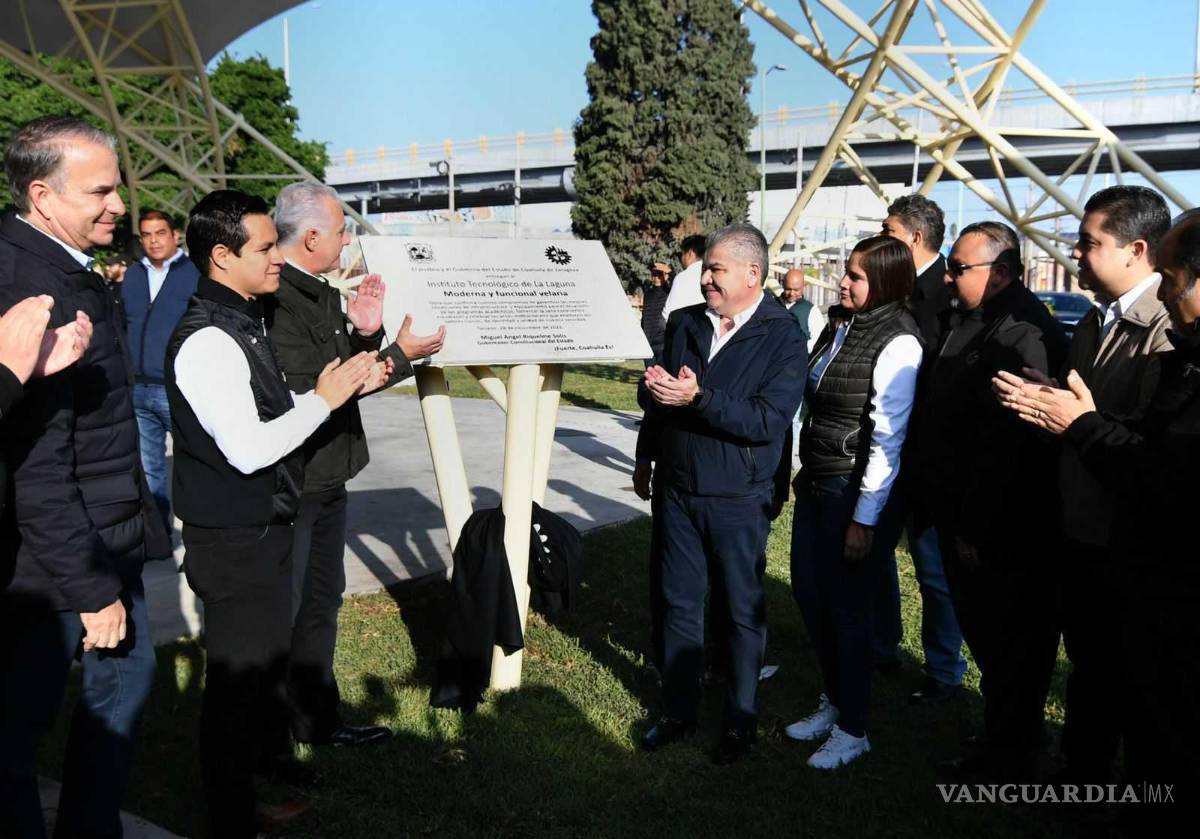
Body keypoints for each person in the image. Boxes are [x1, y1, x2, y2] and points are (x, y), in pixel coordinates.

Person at [168, 189, 388, 837]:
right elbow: (249, 447)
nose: (275, 258)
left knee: (259, 671)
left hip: (260, 529)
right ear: (220, 255)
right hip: (234, 538)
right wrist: (322, 400)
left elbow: (270, 406)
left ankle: (253, 786)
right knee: (235, 685)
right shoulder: (209, 338)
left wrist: (334, 384)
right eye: (263, 248)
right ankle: (232, 817)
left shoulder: (241, 318)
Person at [993, 213, 1200, 828]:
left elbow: (1164, 472)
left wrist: (1080, 423)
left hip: (1154, 568)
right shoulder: (1102, 324)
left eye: (1174, 277)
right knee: (1100, 679)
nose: (1166, 291)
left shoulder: (1168, 337)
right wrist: (1063, 404)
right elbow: (1148, 433)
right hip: (1102, 542)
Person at [0, 115, 170, 839]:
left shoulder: (61, 266)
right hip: (59, 561)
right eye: (99, 190)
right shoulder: (31, 288)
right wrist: (92, 585)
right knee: (17, 732)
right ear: (42, 195)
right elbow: (36, 463)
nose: (121, 205)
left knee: (118, 685)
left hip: (94, 541)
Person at [268, 181, 444, 750]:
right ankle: (270, 736)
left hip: (328, 474)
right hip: (295, 480)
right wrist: (398, 354)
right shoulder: (278, 301)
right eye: (342, 229)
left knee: (321, 602)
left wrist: (363, 331)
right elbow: (320, 392)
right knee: (287, 610)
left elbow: (337, 363)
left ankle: (316, 722)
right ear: (312, 235)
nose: (348, 238)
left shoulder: (315, 291)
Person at [636, 223, 806, 765]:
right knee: (679, 602)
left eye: (716, 270)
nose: (705, 278)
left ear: (753, 274)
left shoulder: (783, 336)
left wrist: (699, 398)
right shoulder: (686, 323)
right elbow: (657, 393)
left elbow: (768, 420)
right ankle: (679, 709)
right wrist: (648, 438)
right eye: (706, 269)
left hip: (738, 497)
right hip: (678, 489)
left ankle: (739, 718)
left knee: (739, 611)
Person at [907, 220, 1067, 780]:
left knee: (1011, 647)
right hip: (958, 513)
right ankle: (1006, 738)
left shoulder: (1022, 333)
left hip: (999, 527)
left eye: (958, 269)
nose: (948, 278)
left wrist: (976, 525)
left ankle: (1011, 751)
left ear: (999, 272)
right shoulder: (968, 319)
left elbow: (1017, 446)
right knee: (992, 643)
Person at [784, 236, 922, 769]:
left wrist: (864, 518)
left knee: (848, 611)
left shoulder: (898, 341)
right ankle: (837, 698)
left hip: (852, 493)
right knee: (809, 592)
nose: (844, 282)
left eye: (856, 277)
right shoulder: (841, 325)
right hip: (817, 483)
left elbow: (888, 438)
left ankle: (854, 727)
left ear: (884, 283)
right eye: (847, 272)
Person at [875, 193, 968, 703]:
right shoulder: (892, 289)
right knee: (873, 553)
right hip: (888, 451)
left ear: (913, 237)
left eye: (887, 231)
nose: (879, 237)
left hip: (929, 456)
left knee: (934, 572)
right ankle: (883, 644)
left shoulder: (947, 295)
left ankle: (943, 671)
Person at [122, 209, 201, 534]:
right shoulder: (134, 274)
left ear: (174, 235)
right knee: (149, 469)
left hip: (176, 388)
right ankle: (159, 539)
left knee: (192, 466)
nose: (153, 241)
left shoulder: (194, 273)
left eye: (160, 233)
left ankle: (200, 542)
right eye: (147, 235)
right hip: (138, 389)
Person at [779, 268, 826, 354]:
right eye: (788, 289)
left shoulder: (812, 311)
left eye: (796, 290)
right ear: (783, 284)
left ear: (803, 286)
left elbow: (818, 340)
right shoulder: (772, 304)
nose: (792, 293)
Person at [661, 233, 706, 322]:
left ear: (690, 253)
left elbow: (668, 313)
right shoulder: (714, 274)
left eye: (682, 254)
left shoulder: (683, 277)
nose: (681, 259)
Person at [640, 261, 671, 362]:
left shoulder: (670, 293)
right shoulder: (648, 294)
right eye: (653, 274)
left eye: (659, 274)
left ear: (665, 276)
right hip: (648, 343)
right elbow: (644, 317)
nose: (656, 277)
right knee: (649, 375)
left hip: (663, 343)